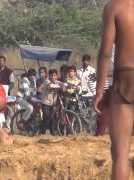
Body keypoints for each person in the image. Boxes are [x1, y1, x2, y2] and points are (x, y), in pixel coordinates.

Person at [93, 1, 134, 179]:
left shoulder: (115, 7)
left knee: (121, 153)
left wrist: (100, 91)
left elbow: (105, 53)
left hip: (125, 76)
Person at [38, 69, 64, 135]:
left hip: (53, 104)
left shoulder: (57, 82)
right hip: (45, 103)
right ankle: (42, 133)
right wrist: (61, 86)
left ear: (57, 76)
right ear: (49, 76)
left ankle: (53, 134)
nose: (52, 77)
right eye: (51, 75)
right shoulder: (47, 81)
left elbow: (64, 86)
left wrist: (66, 86)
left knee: (53, 119)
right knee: (47, 117)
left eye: (54, 75)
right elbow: (51, 86)